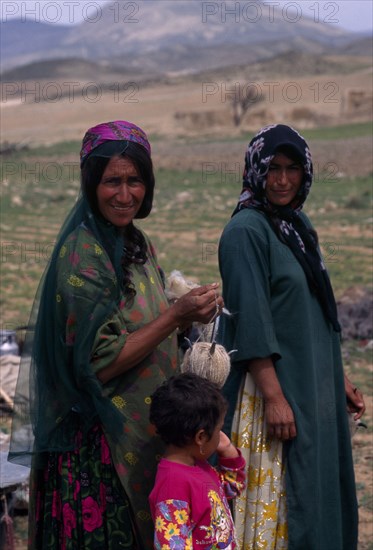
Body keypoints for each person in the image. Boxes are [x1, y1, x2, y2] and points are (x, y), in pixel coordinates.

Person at [9, 120, 224, 549]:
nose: (125, 195)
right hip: (97, 455)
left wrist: (184, 314)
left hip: (140, 433)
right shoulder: (84, 256)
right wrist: (174, 315)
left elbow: (147, 319)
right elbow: (99, 362)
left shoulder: (134, 242)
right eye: (112, 182)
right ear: (91, 184)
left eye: (135, 180)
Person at [217, 124, 365, 550]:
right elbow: (250, 321)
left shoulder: (295, 224)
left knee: (318, 485)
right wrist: (275, 397)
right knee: (286, 503)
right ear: (255, 172)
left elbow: (317, 313)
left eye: (292, 169)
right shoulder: (245, 232)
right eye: (272, 169)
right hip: (275, 393)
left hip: (312, 384)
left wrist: (338, 380)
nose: (282, 181)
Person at [148, 372, 246, 549]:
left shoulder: (199, 467)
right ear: (201, 436)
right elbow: (172, 545)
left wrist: (228, 450)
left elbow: (232, 488)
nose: (220, 437)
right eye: (218, 430)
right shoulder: (173, 484)